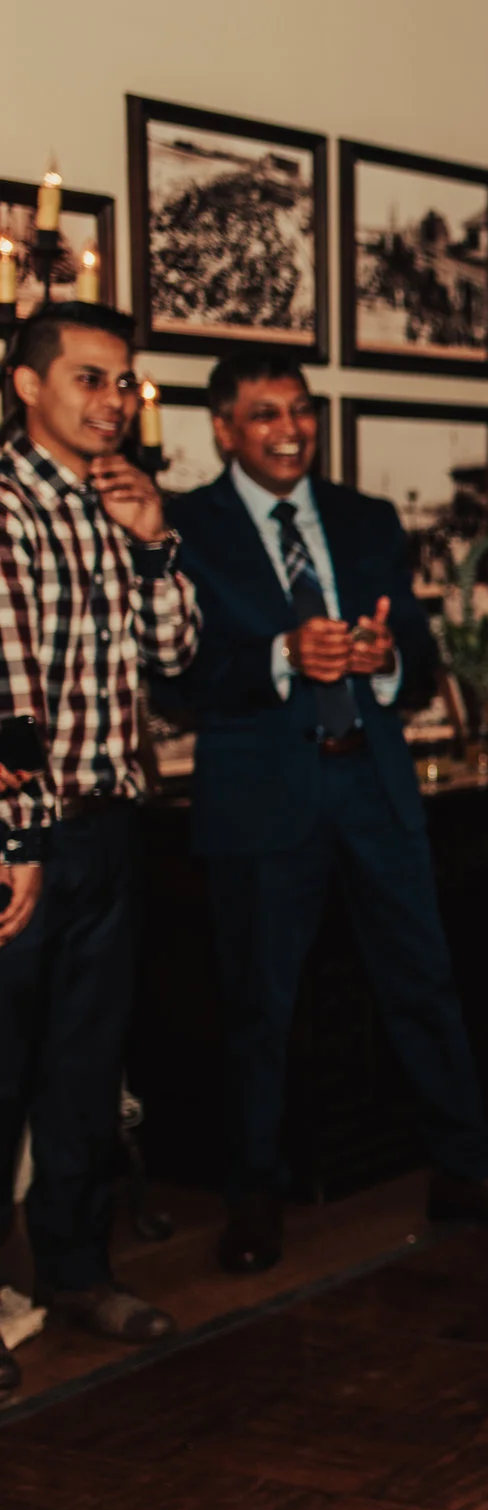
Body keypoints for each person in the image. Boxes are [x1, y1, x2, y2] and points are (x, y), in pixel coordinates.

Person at [163, 348, 488, 1275]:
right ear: (223, 427)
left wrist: (385, 658)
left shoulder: (364, 518)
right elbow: (178, 673)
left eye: (300, 409)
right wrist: (281, 656)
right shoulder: (187, 528)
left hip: (372, 787)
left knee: (424, 983)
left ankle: (467, 1169)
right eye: (264, 413)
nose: (289, 428)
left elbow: (418, 663)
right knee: (258, 1007)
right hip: (263, 800)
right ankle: (254, 1197)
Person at [0, 303, 199, 1374]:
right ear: (30, 387)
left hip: (113, 828)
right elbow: (5, 688)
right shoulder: (3, 505)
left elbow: (178, 654)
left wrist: (158, 541)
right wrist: (15, 836)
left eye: (124, 382)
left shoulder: (112, 504)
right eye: (89, 378)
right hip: (20, 838)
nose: (113, 401)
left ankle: (75, 1271)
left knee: (84, 1065)